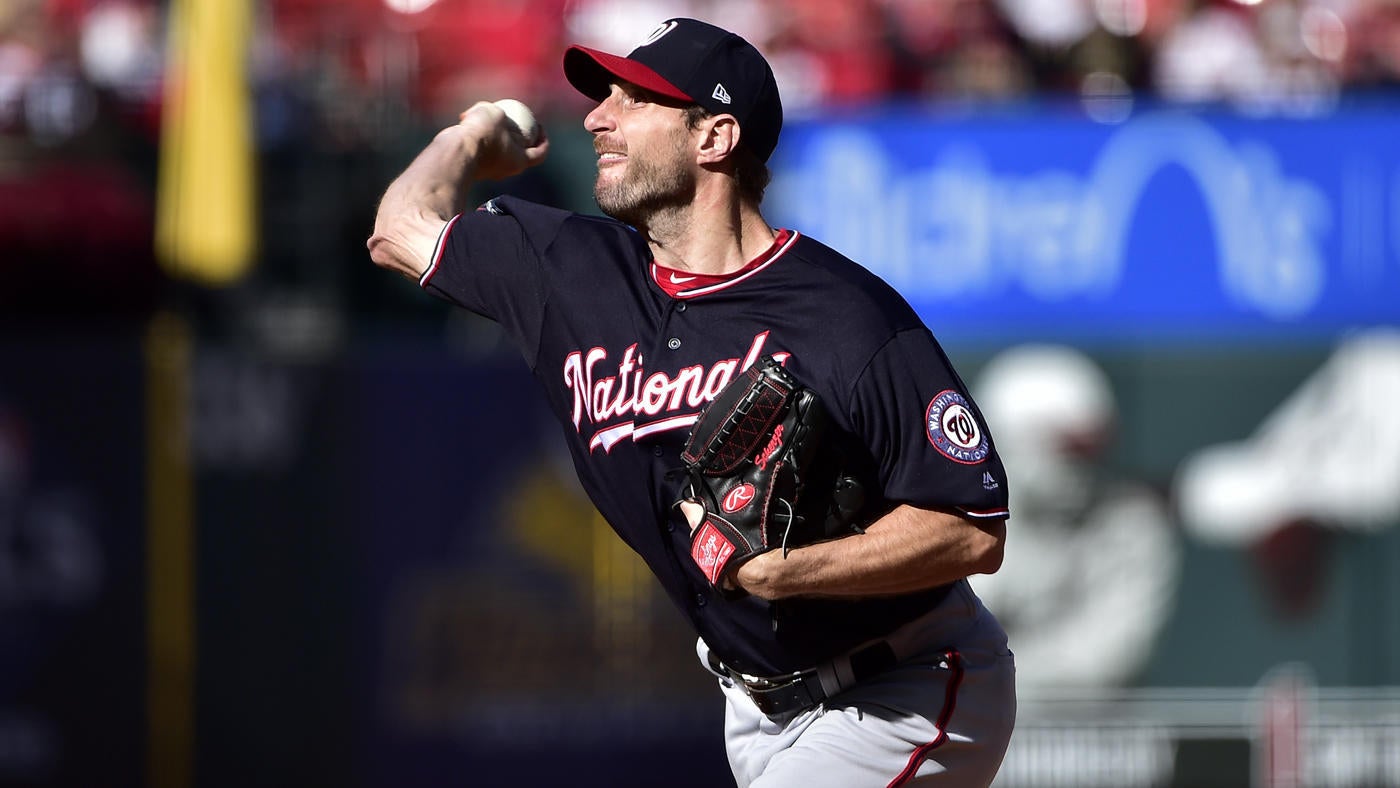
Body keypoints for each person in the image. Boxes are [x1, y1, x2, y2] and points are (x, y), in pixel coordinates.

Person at [367, 18, 1016, 787]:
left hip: (903, 684)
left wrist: (788, 572)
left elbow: (970, 530)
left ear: (714, 138)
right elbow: (397, 232)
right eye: (603, 96)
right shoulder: (568, 272)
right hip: (753, 706)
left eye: (634, 100)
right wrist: (469, 135)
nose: (597, 118)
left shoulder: (845, 316)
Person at [970, 344, 1180, 691]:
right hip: (972, 732)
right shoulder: (960, 525)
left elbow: (1108, 659)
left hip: (1097, 738)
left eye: (1095, 452)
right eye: (1070, 451)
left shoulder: (1133, 525)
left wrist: (990, 665)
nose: (1087, 471)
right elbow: (945, 640)